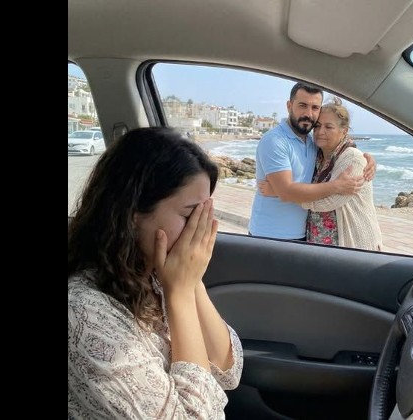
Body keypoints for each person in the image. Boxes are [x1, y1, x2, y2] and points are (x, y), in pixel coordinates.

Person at [68, 127, 243, 419]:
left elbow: (228, 372)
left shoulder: (156, 275)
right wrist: (181, 294)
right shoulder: (82, 313)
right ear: (133, 213)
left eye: (205, 214)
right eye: (190, 215)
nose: (200, 228)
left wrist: (192, 283)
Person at [248, 82, 376, 240]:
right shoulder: (275, 141)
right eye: (302, 105)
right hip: (269, 235)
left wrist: (366, 158)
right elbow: (286, 192)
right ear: (289, 106)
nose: (308, 113)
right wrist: (336, 186)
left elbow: (341, 147)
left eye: (315, 107)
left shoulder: (312, 141)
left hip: (302, 235)